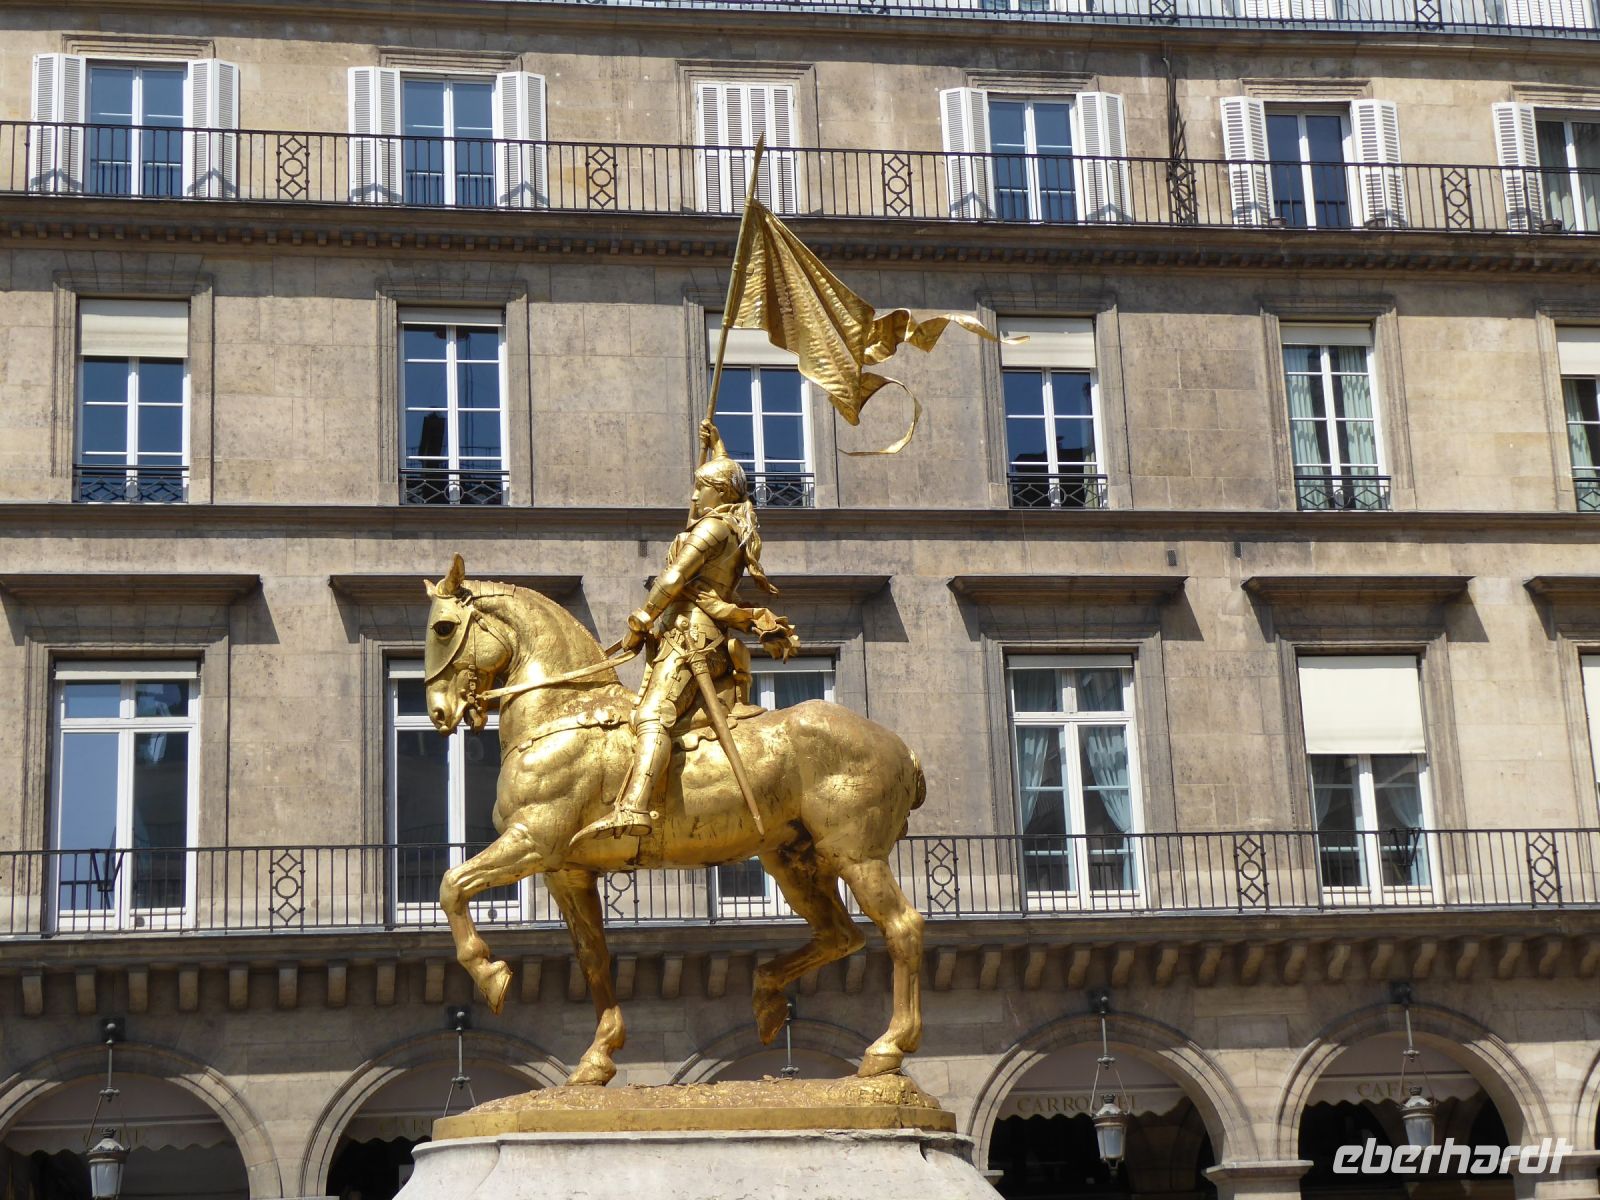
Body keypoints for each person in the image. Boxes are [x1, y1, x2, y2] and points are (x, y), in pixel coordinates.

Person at [571, 419, 800, 846]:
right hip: (688, 632)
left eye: (702, 488)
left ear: (721, 494)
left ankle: (635, 806)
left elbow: (674, 578)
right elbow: (726, 481)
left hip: (691, 639)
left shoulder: (713, 529)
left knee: (652, 715)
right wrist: (718, 447)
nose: (694, 495)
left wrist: (643, 614)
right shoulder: (724, 523)